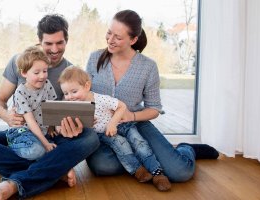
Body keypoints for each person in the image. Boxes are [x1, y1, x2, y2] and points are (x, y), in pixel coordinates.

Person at [0, 14, 99, 200]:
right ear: (39, 41)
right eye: (48, 43)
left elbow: (73, 112)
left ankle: (19, 181)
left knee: (91, 138)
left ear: (67, 40)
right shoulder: (21, 61)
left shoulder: (71, 72)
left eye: (60, 43)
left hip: (51, 135)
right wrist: (7, 116)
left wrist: (72, 126)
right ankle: (54, 170)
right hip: (20, 134)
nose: (55, 49)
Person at [85, 10, 219, 182]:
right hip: (103, 128)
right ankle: (145, 156)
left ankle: (186, 148)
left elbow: (154, 109)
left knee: (180, 172)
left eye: (118, 37)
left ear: (133, 40)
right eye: (109, 33)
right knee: (103, 166)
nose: (110, 40)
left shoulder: (148, 67)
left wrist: (131, 116)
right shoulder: (95, 58)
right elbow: (84, 94)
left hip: (136, 123)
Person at [58, 66, 171, 191]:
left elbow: (121, 106)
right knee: (121, 144)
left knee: (139, 142)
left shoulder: (100, 99)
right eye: (66, 93)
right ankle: (138, 170)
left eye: (74, 92)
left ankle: (157, 173)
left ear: (86, 86)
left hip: (122, 125)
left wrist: (112, 123)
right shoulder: (72, 106)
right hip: (104, 134)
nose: (70, 97)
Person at [6, 46, 57, 160]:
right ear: (24, 73)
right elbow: (31, 121)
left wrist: (51, 127)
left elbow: (51, 108)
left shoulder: (47, 84)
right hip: (23, 132)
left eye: (45, 71)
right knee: (38, 151)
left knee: (51, 150)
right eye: (36, 72)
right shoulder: (21, 92)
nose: (42, 76)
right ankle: (13, 145)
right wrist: (46, 143)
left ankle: (33, 158)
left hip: (40, 133)